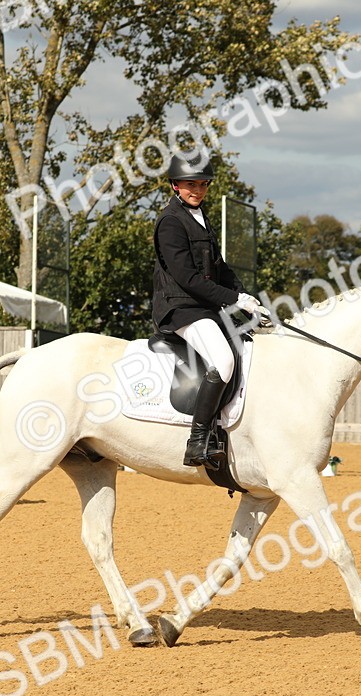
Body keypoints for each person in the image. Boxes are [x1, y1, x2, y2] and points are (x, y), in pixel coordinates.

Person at [152, 152, 264, 468]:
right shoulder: (171, 222)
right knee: (224, 361)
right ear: (175, 185)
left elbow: (219, 267)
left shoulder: (200, 216)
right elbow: (187, 278)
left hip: (204, 308)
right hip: (180, 309)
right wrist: (233, 299)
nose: (198, 190)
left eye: (203, 185)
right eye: (191, 185)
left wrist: (246, 297)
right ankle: (198, 441)